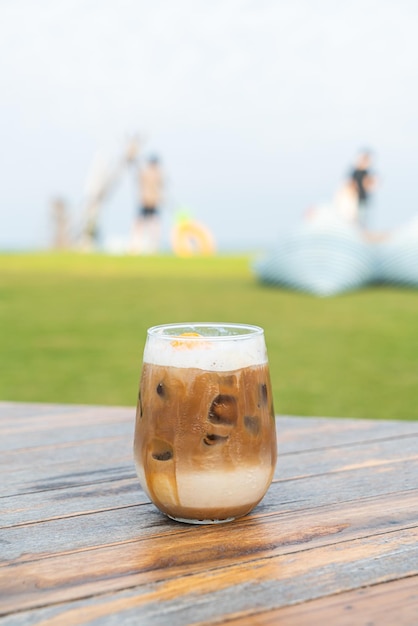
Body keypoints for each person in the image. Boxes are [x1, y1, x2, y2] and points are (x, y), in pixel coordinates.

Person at [131, 155, 164, 254]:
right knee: (140, 224)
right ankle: (136, 246)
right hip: (145, 201)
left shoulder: (159, 174)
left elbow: (160, 187)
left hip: (153, 202)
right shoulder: (146, 172)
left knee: (153, 224)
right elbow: (138, 173)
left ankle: (153, 246)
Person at [349, 150, 378, 229]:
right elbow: (351, 184)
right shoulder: (356, 171)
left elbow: (370, 185)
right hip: (354, 199)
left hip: (363, 198)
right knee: (356, 218)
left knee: (363, 217)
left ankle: (362, 231)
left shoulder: (366, 172)